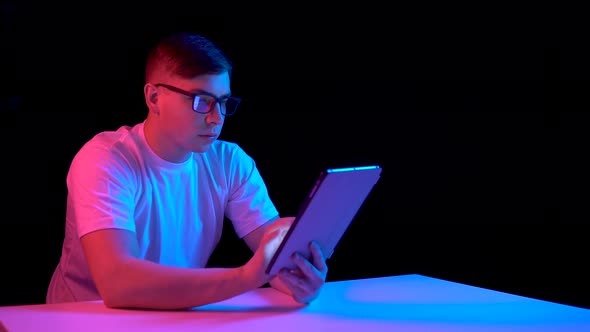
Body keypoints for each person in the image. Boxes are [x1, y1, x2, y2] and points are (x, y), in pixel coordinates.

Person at [46, 31, 328, 310]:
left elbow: (273, 258)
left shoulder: (230, 162)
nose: (216, 118)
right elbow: (119, 284)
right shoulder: (105, 159)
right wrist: (247, 276)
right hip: (84, 318)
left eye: (223, 102)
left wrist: (297, 275)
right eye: (201, 100)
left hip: (174, 317)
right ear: (154, 97)